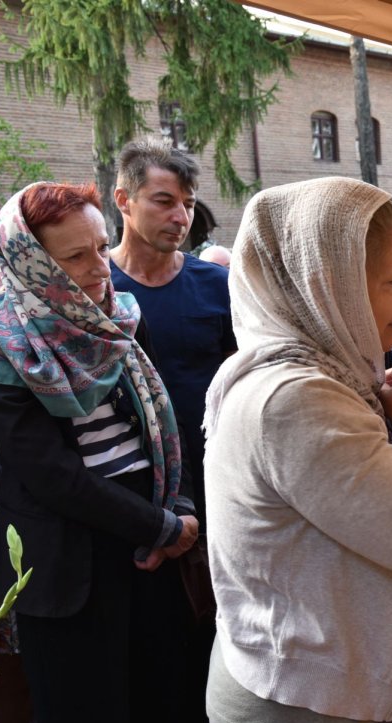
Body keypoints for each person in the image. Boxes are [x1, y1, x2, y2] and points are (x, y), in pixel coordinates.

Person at [202, 177, 392, 723]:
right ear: (327, 287)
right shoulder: (299, 399)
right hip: (311, 713)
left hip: (306, 691)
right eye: (391, 281)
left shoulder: (290, 373)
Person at [0, 183, 200, 723]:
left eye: (99, 247)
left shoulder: (111, 317)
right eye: (75, 258)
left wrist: (179, 504)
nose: (99, 268)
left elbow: (158, 424)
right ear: (31, 262)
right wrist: (159, 528)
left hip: (149, 556)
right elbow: (49, 476)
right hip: (70, 569)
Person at [109, 137, 235, 532]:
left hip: (220, 483)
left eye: (189, 203)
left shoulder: (219, 286)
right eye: (164, 201)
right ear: (123, 200)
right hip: (131, 495)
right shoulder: (96, 290)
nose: (181, 216)